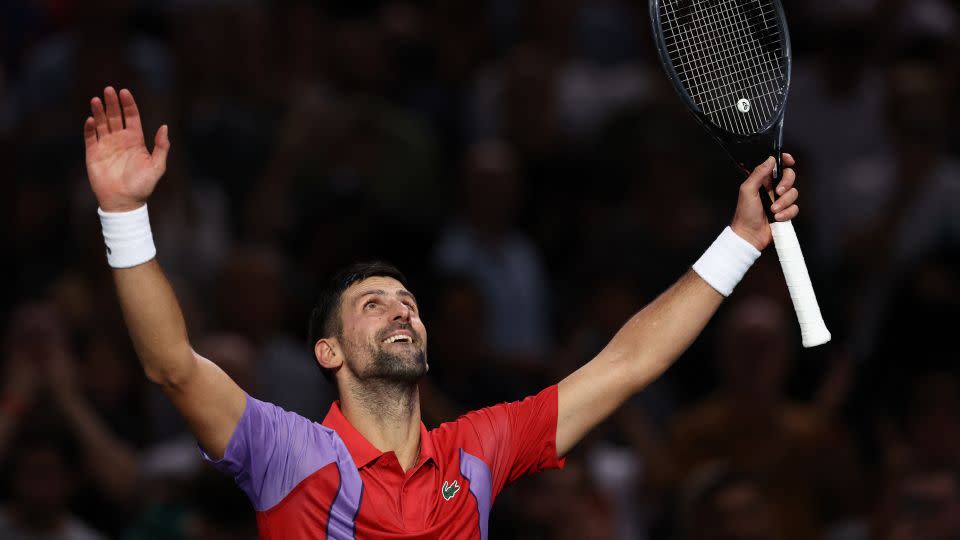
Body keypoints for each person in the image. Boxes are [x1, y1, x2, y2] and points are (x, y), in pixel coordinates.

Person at [81, 86, 801, 539]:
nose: (402, 312)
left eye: (409, 303)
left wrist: (740, 241)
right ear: (327, 353)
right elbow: (171, 364)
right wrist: (123, 215)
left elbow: (629, 362)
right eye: (372, 303)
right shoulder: (287, 453)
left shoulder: (479, 450)